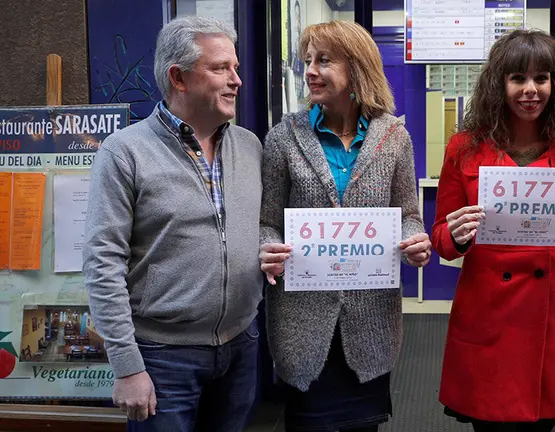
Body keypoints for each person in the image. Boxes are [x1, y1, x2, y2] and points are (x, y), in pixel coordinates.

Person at [82, 16, 263, 432]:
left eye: (235, 68)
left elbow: (261, 229)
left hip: (241, 345)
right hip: (162, 357)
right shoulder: (125, 152)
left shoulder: (249, 145)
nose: (236, 80)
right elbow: (102, 262)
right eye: (220, 68)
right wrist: (127, 367)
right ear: (178, 78)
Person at [432, 30, 555, 432]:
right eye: (517, 78)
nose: (530, 90)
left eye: (542, 78)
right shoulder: (463, 146)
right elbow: (441, 239)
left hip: (551, 311)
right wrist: (458, 233)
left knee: (540, 424)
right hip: (488, 313)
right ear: (499, 84)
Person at [259, 20, 431, 432]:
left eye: (324, 60)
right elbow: (267, 221)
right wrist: (268, 248)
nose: (310, 71)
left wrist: (413, 240)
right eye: (308, 61)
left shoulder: (394, 136)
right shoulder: (284, 138)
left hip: (370, 321)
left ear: (356, 67)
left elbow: (408, 213)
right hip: (304, 323)